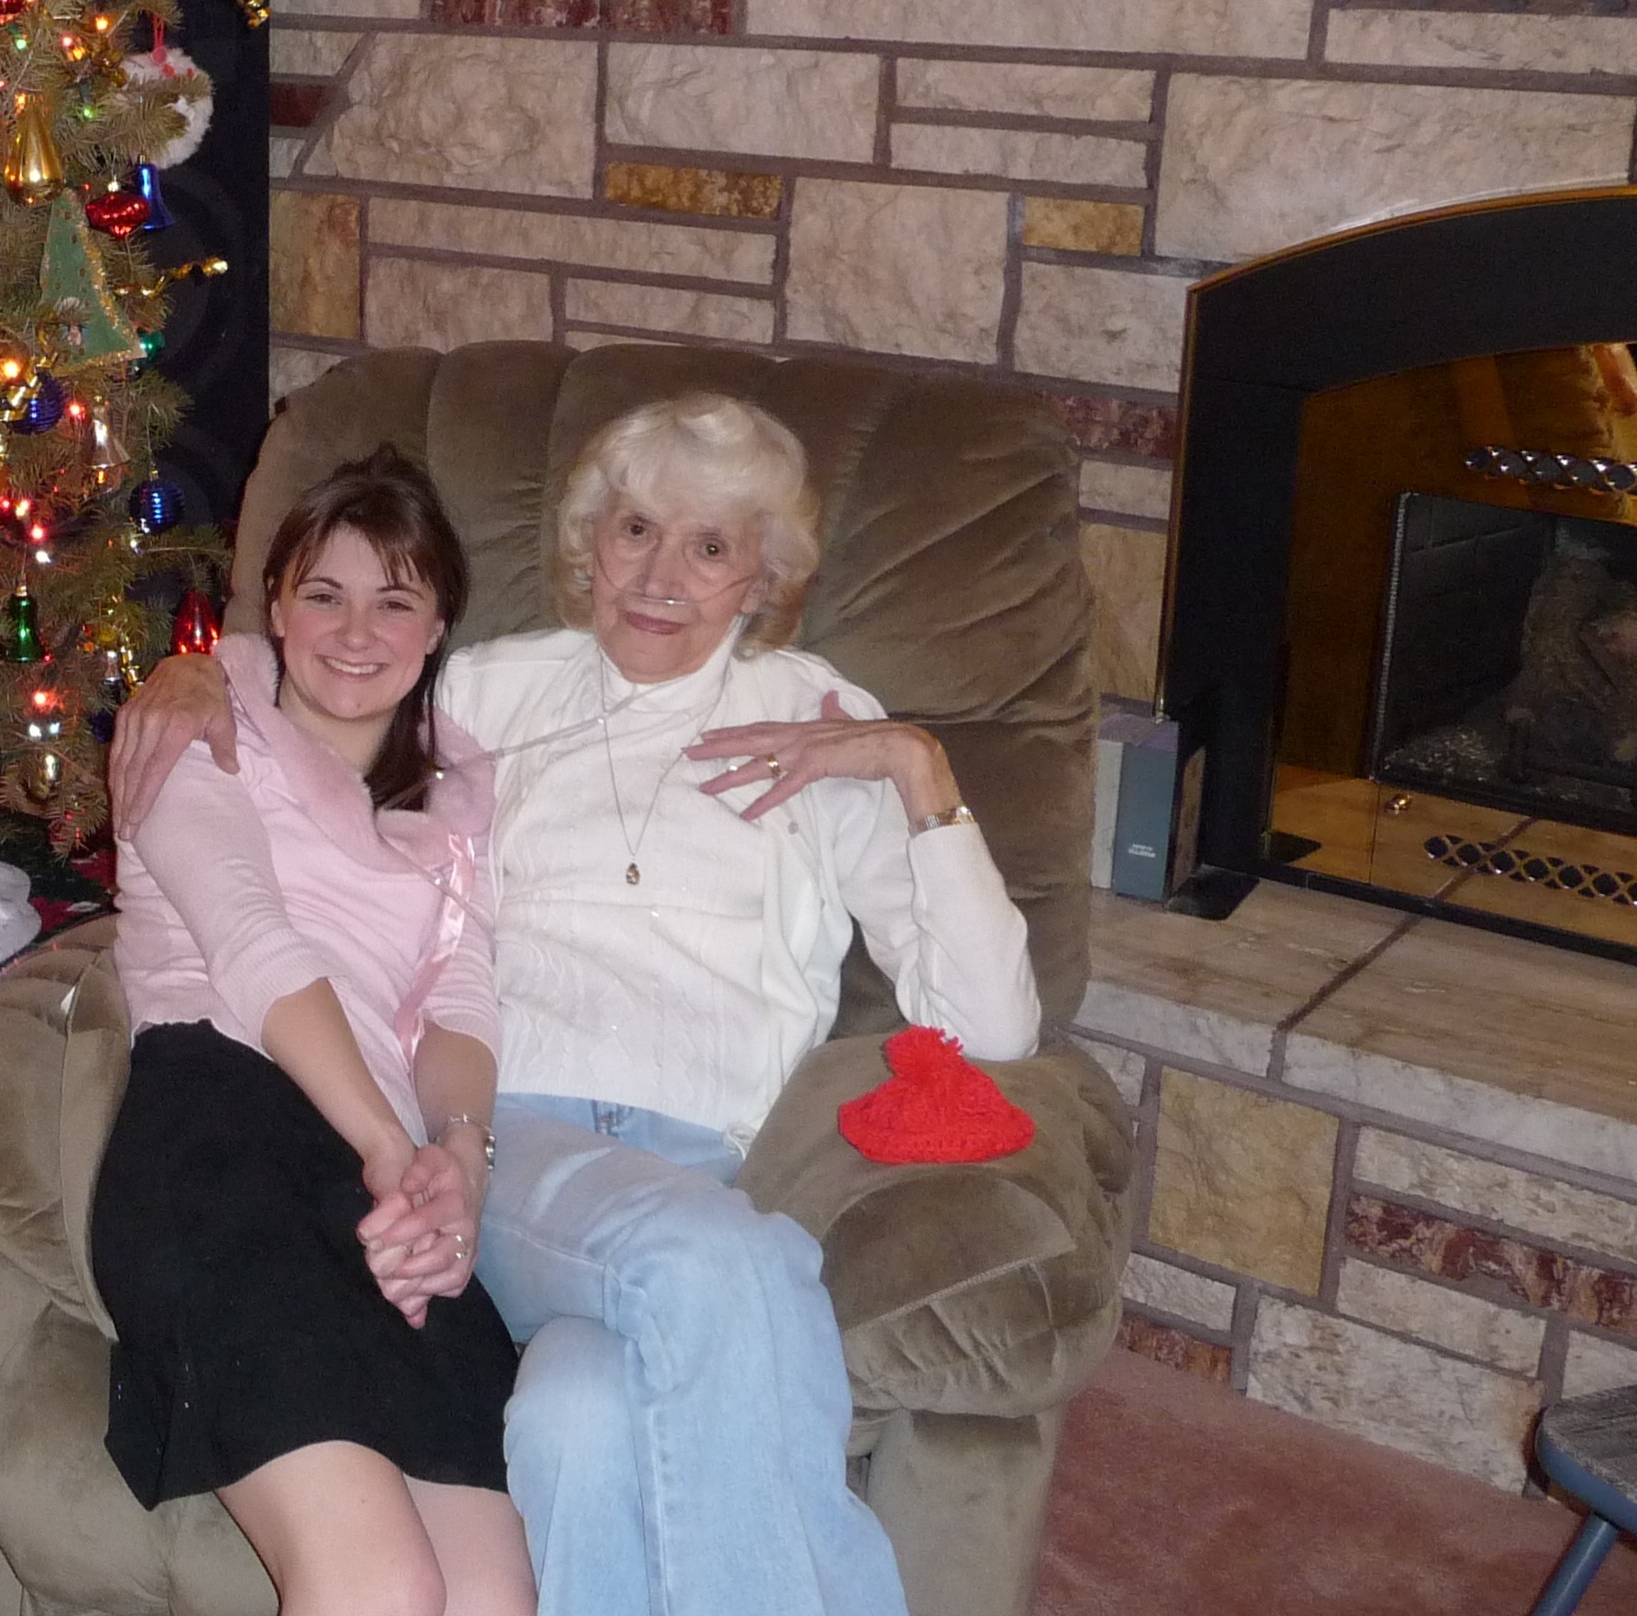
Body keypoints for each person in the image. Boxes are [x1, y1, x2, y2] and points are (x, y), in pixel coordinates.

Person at [110, 394, 1042, 1616]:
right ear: (586, 545)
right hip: (514, 1152)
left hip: (695, 1164)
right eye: (636, 530)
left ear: (761, 574)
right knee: (725, 1263)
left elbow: (994, 1025)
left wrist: (921, 774)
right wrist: (189, 668)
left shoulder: (827, 726)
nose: (660, 576)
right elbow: (323, 670)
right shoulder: (491, 700)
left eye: (709, 547)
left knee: (574, 1412)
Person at [92, 447, 536, 1616]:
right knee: (375, 1583)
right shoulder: (194, 728)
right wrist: (391, 1151)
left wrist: (456, 1168)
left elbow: (463, 1003)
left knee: (491, 1594)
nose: (355, 629)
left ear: (437, 624)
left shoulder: (456, 796)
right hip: (221, 1131)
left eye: (394, 599)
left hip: (374, 1165)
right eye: (323, 592)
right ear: (275, 603)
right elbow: (253, 948)